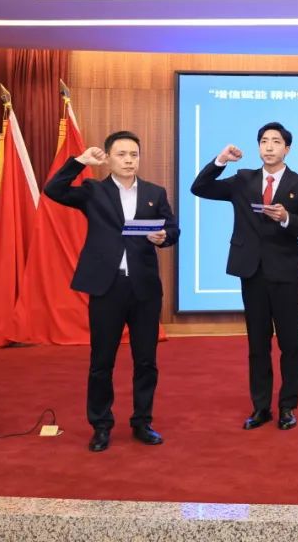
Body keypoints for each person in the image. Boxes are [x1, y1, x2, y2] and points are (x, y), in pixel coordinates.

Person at [44, 131, 179, 453]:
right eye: (121, 154)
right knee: (102, 361)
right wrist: (80, 162)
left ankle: (142, 422)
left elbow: (173, 229)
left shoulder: (154, 192)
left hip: (144, 288)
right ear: (108, 158)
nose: (129, 160)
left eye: (134, 154)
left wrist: (164, 237)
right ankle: (101, 425)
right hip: (108, 286)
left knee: (146, 360)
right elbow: (53, 190)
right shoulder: (94, 191)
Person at [190, 122, 298, 431]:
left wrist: (286, 218)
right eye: (264, 141)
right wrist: (221, 160)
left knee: (290, 343)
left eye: (276, 141)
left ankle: (287, 406)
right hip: (252, 272)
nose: (269, 146)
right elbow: (200, 188)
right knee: (257, 344)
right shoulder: (243, 180)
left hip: (286, 274)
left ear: (287, 148)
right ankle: (261, 407)